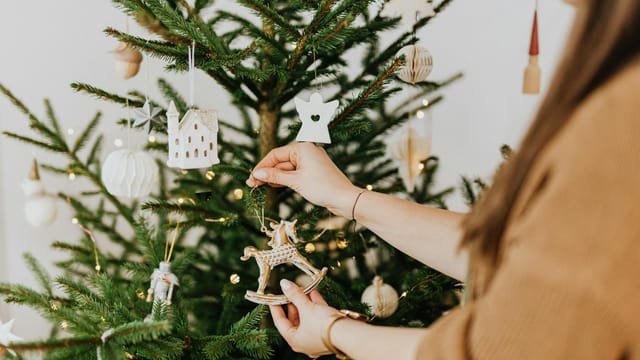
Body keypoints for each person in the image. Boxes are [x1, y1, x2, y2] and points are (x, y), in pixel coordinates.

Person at [245, 0, 640, 358]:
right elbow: (509, 259)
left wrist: (335, 332)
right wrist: (343, 198)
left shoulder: (622, 114)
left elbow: (500, 349)